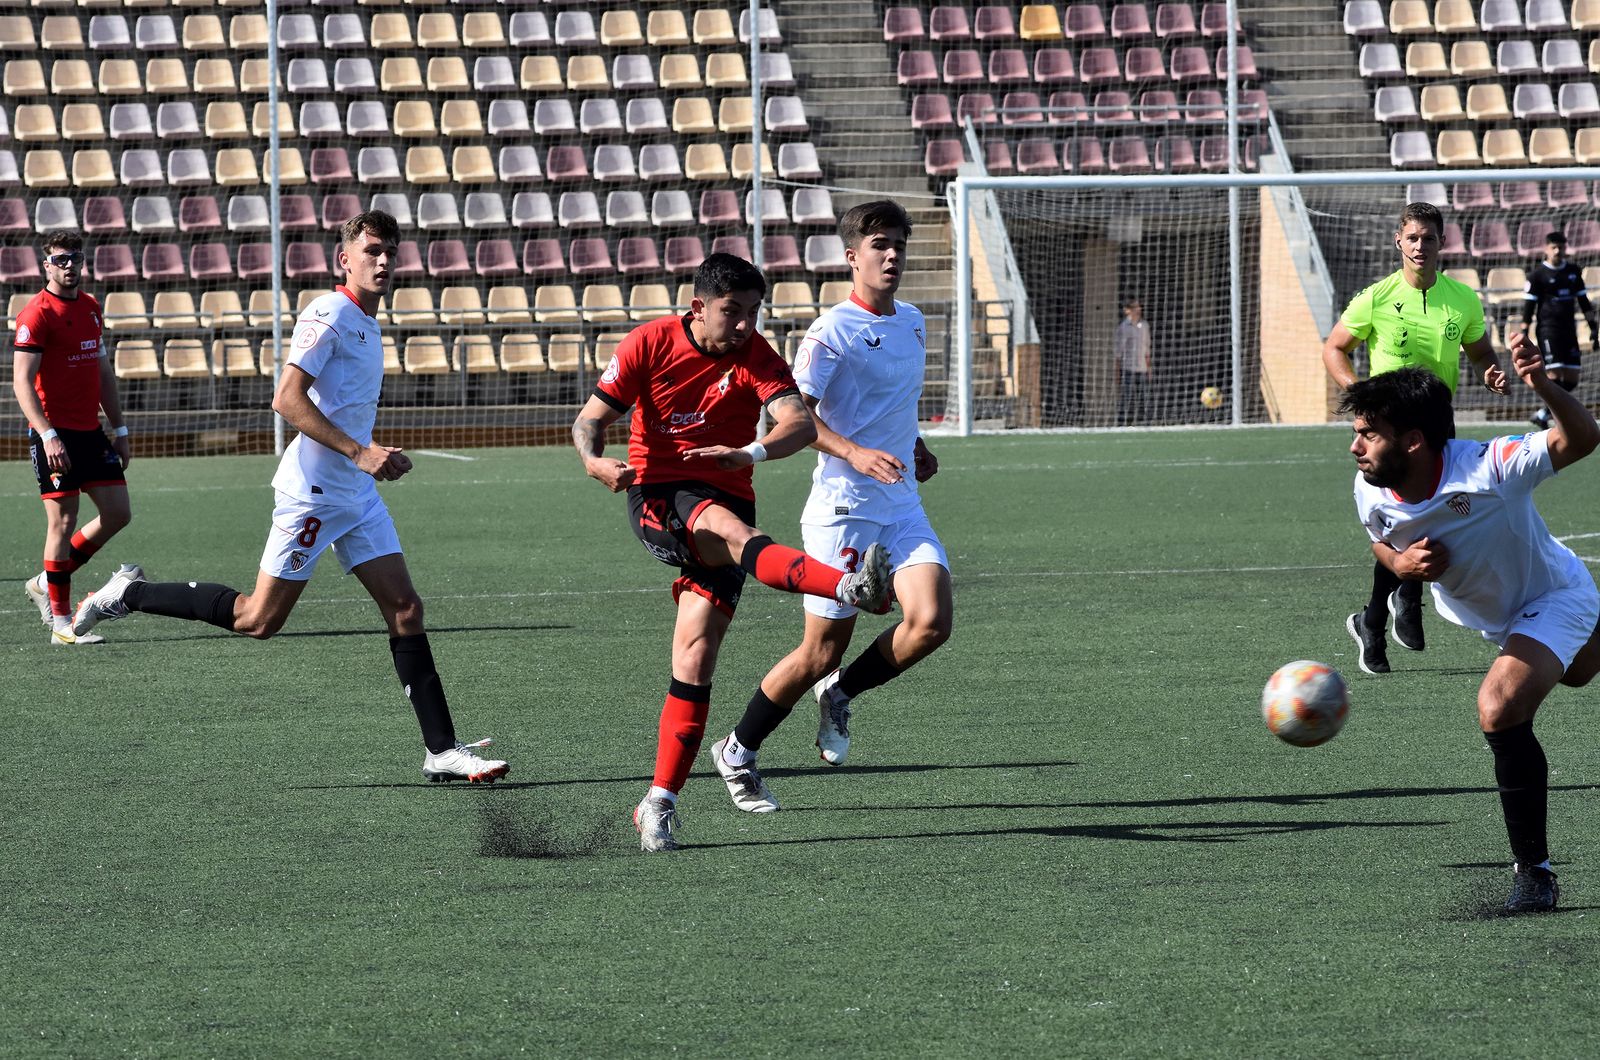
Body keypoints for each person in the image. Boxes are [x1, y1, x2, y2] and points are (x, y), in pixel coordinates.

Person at [71, 211, 508, 784]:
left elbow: (336, 408)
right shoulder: (328, 314)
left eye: (391, 252)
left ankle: (441, 750)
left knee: (405, 608)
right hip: (314, 495)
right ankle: (134, 592)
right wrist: (360, 452)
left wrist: (370, 455)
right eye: (372, 250)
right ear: (343, 259)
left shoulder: (368, 323)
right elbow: (287, 399)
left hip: (356, 495)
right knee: (258, 619)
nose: (383, 261)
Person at [571, 252, 894, 852]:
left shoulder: (756, 355)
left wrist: (751, 454)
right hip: (660, 497)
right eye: (732, 312)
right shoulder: (648, 343)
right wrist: (593, 462)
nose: (745, 324)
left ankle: (658, 802)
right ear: (699, 307)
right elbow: (589, 420)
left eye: (753, 312)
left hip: (728, 499)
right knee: (732, 532)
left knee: (695, 659)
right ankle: (848, 587)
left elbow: (798, 423)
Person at [706, 200, 953, 814]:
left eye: (898, 243)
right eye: (879, 245)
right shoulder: (830, 331)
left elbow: (890, 404)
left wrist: (912, 445)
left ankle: (839, 694)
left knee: (930, 623)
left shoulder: (915, 321)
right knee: (820, 648)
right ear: (853, 257)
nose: (892, 254)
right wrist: (857, 452)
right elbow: (792, 416)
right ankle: (738, 748)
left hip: (900, 502)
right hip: (843, 508)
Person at [1341, 357, 1600, 913]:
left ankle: (1535, 874)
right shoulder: (1371, 484)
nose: (1355, 447)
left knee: (1498, 707)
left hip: (1554, 596)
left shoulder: (1491, 464)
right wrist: (1401, 565)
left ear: (1412, 441)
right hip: (1494, 618)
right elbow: (1379, 540)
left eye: (1367, 434)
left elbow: (1582, 439)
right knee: (1579, 673)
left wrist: (1541, 385)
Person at [1322, 201, 1509, 676]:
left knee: (1433, 516)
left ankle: (1380, 613)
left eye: (1428, 238)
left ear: (1441, 242)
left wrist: (1490, 371)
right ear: (1398, 243)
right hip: (1387, 431)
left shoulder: (1463, 299)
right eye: (1412, 238)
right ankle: (1388, 610)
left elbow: (1480, 349)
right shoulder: (1377, 297)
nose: (1420, 246)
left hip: (1438, 425)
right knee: (1397, 524)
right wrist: (1360, 395)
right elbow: (1334, 347)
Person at [11, 230, 132, 646]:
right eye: (60, 259)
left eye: (74, 258)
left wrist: (120, 429)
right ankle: (61, 624)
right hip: (55, 436)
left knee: (118, 512)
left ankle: (47, 580)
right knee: (63, 521)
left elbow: (102, 374)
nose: (68, 265)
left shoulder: (92, 308)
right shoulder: (36, 314)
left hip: (91, 432)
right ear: (46, 265)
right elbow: (22, 383)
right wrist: (47, 435)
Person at [1521, 230, 1598, 429]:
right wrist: (1524, 332)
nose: (1558, 251)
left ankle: (1542, 413)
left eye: (1561, 247)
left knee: (1572, 379)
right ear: (1546, 249)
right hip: (1549, 330)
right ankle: (1557, 416)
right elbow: (1529, 308)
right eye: (1554, 247)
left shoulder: (1573, 271)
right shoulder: (1537, 275)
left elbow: (1584, 302)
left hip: (1569, 330)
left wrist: (1594, 328)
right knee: (1554, 376)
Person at [1114, 299, 1153, 426]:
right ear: (1128, 310)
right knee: (1127, 398)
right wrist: (1117, 372)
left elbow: (1147, 349)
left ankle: (1145, 424)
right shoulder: (1124, 327)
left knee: (1145, 398)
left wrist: (1149, 368)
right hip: (1128, 368)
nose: (1138, 309)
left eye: (1139, 307)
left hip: (1142, 368)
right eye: (1135, 307)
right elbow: (1118, 352)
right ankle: (1123, 424)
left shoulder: (1145, 326)